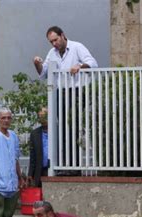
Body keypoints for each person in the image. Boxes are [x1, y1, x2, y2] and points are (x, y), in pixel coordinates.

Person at [33, 26, 98, 170]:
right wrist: (37, 64)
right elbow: (44, 73)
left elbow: (93, 63)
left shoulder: (77, 47)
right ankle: (65, 164)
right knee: (62, 127)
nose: (54, 44)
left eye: (56, 40)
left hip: (77, 90)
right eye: (51, 42)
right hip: (61, 92)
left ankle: (73, 165)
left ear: (63, 35)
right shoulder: (52, 52)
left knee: (73, 126)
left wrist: (80, 66)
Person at [28, 107, 48, 187]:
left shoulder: (57, 131)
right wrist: (30, 173)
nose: (42, 118)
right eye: (40, 116)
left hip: (53, 171)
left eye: (44, 115)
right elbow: (32, 155)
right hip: (39, 171)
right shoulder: (35, 134)